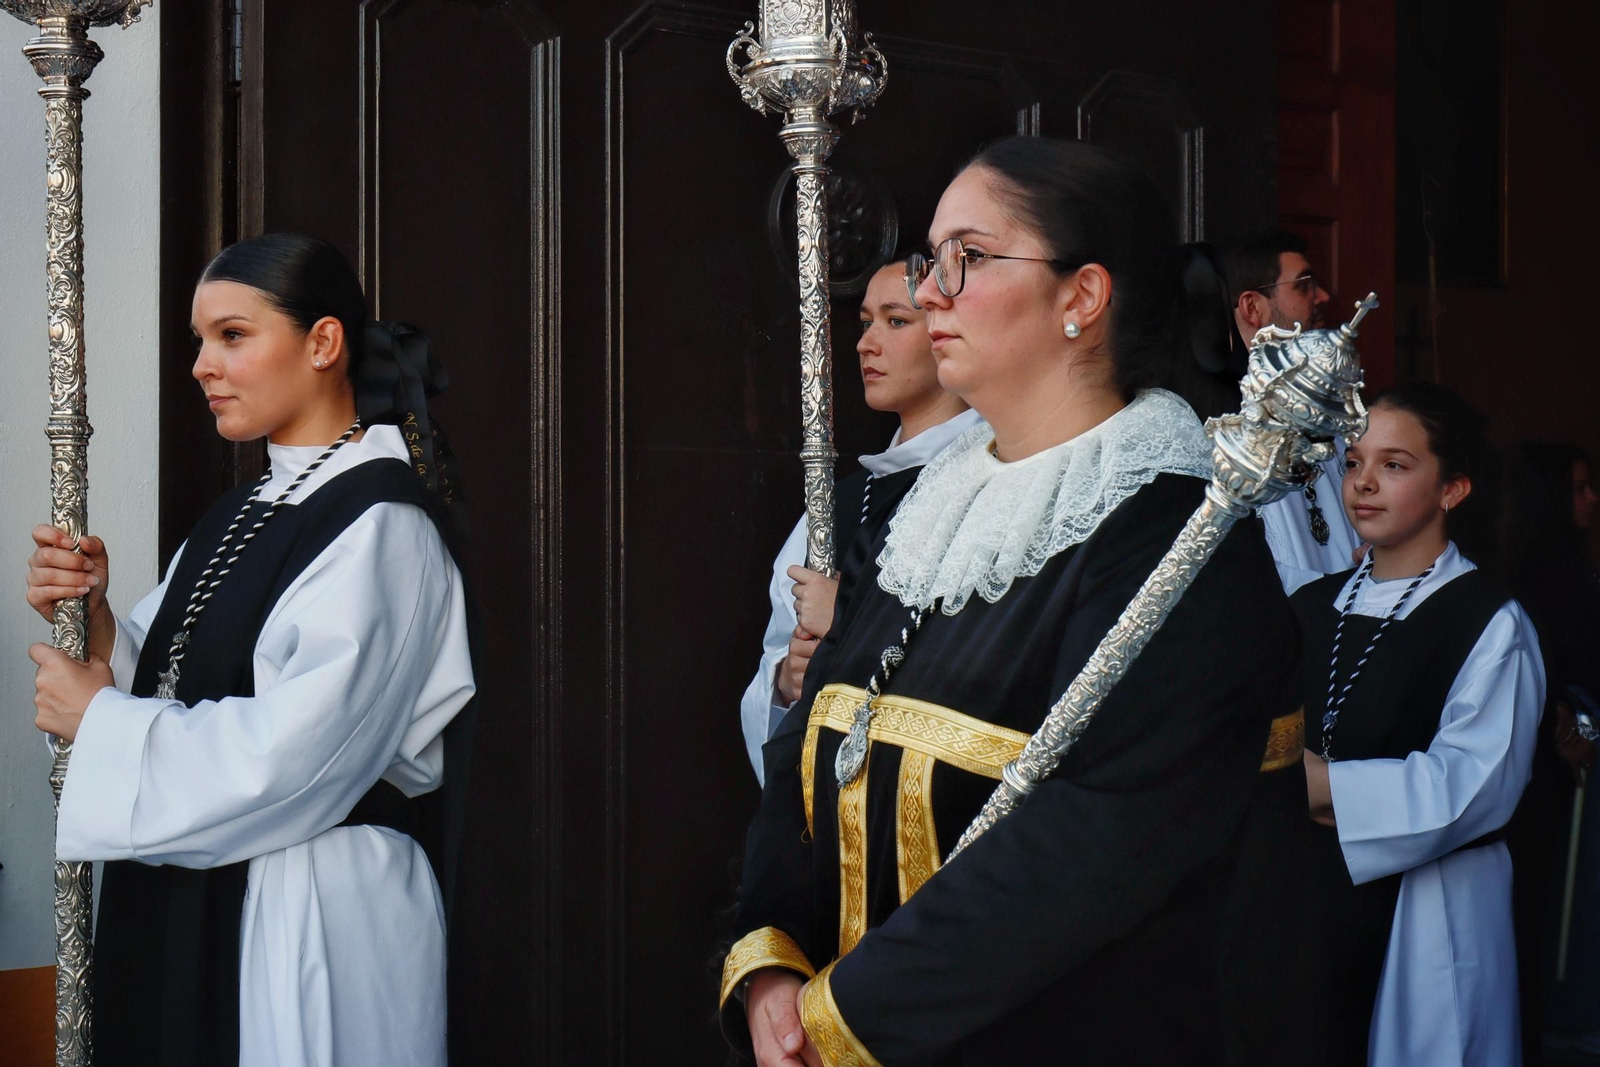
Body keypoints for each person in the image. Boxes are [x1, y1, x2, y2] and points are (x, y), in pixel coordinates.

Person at [719, 136, 1307, 1066]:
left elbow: (1085, 852)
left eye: (970, 257)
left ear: (1082, 295)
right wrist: (772, 964)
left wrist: (839, 1018)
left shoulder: (1175, 542)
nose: (930, 292)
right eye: (930, 259)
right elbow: (810, 747)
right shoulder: (932, 511)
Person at [24, 234, 474, 1067]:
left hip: (306, 915)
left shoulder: (382, 526)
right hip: (198, 893)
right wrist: (96, 629)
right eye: (200, 340)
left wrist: (102, 720)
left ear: (323, 342)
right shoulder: (239, 513)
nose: (202, 364)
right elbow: (169, 685)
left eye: (232, 335)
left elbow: (298, 757)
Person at [1293, 382, 1544, 1066]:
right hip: (1309, 902)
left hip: (1432, 908)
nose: (1363, 482)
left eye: (1395, 465)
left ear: (1452, 489)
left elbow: (1472, 784)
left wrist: (1320, 787)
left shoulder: (1491, 620)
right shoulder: (1310, 606)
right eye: (1352, 461)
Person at [740, 258, 981, 783]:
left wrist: (845, 625)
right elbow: (780, 655)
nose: (865, 344)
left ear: (948, 327)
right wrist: (787, 679)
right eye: (866, 322)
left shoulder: (998, 480)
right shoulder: (841, 504)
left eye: (896, 321)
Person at [1497, 443, 1600, 1058]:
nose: (1590, 500)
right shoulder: (1539, 574)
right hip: (1555, 771)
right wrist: (1571, 714)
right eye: (1579, 487)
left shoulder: (1569, 564)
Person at [1224, 229, 1358, 593]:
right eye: (1303, 285)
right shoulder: (1226, 429)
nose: (1323, 297)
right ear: (1253, 307)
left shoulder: (1334, 409)